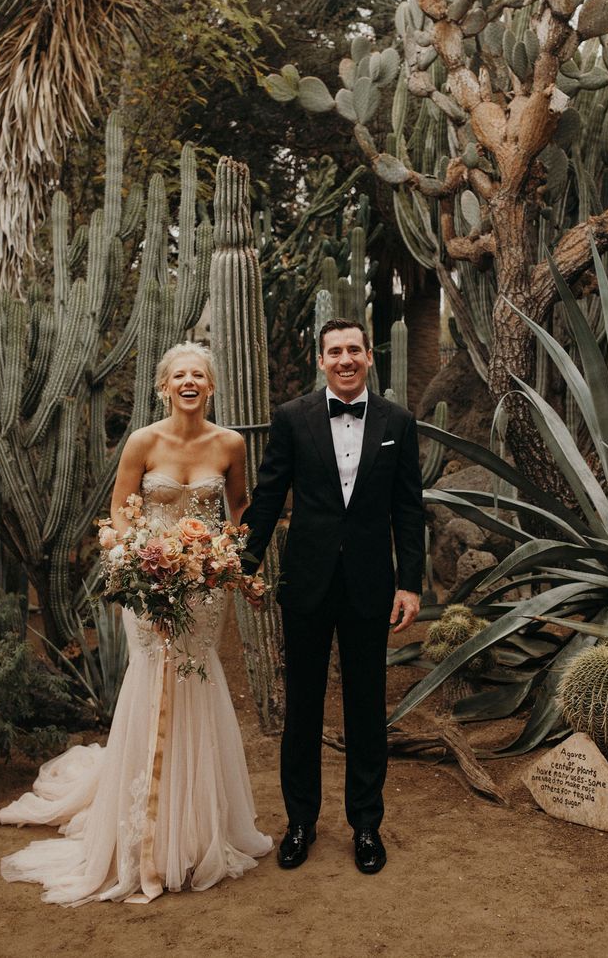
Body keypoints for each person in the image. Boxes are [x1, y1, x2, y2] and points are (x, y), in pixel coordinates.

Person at [0, 342, 272, 905]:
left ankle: (197, 832)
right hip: (148, 587)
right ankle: (145, 835)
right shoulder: (144, 441)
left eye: (199, 374)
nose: (189, 381)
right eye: (179, 375)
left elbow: (239, 507)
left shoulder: (230, 444)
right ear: (164, 386)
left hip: (204, 591)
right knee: (153, 683)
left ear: (212, 387)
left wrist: (226, 557)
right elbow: (121, 514)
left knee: (198, 682)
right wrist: (141, 556)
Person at [242, 319, 425, 875]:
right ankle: (300, 822)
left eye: (354, 350)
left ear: (370, 356)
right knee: (302, 707)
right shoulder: (292, 418)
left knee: (367, 709)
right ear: (319, 360)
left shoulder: (398, 421)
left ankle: (366, 825)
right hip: (307, 583)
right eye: (334, 351)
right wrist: (242, 566)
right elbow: (269, 495)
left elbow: (409, 507)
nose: (344, 359)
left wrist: (410, 582)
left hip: (371, 586)